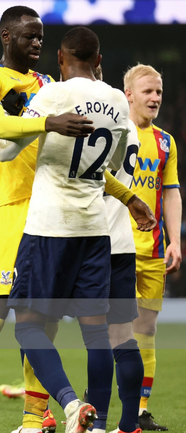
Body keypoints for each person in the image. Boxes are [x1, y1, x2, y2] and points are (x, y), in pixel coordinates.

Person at [0, 7, 154, 433]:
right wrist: (46, 120)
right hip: (12, 209)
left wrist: (128, 198)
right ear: (6, 36)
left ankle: (37, 419)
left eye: (41, 37)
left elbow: (85, 163)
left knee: (41, 323)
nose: (37, 43)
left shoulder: (52, 86)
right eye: (29, 36)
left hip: (51, 217)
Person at [0, 26, 155, 433]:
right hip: (95, 229)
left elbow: (4, 148)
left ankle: (68, 404)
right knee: (96, 332)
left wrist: (30, 118)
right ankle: (98, 425)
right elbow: (116, 163)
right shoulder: (118, 100)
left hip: (50, 226)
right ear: (99, 61)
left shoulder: (51, 95)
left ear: (60, 61)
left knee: (29, 325)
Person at [124, 64, 180, 432]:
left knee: (147, 329)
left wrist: (176, 240)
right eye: (147, 91)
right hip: (117, 246)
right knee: (113, 328)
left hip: (154, 249)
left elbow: (171, 191)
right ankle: (99, 398)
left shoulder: (165, 142)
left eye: (158, 91)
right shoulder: (114, 134)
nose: (155, 97)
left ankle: (140, 409)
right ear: (128, 94)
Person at [92, 65, 147, 433]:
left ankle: (95, 423)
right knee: (122, 336)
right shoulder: (131, 130)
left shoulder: (94, 121)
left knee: (36, 326)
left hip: (89, 241)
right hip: (122, 243)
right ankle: (128, 426)